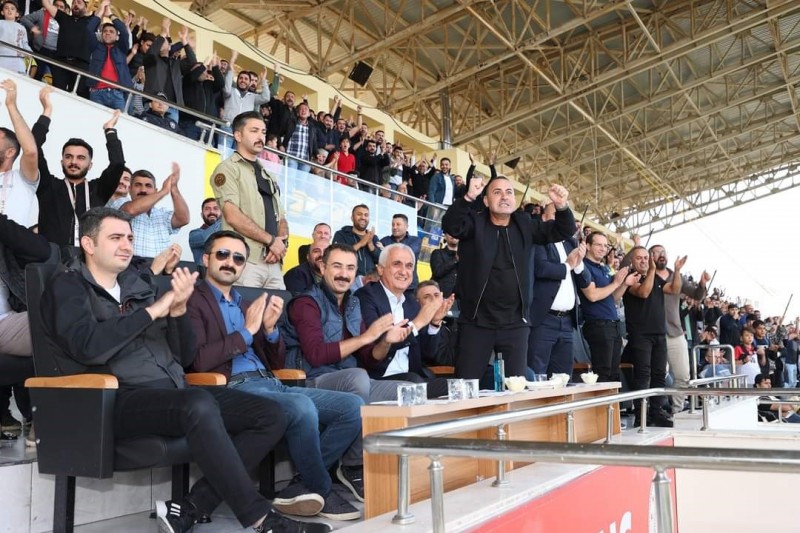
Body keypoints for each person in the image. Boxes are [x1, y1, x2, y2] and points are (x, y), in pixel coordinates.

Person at [39, 207, 329, 533]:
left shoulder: (136, 285)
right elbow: (87, 346)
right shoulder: (68, 286)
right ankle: (262, 519)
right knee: (197, 403)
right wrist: (153, 311)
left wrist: (177, 313)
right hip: (114, 399)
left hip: (172, 390)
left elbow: (184, 355)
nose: (126, 245)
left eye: (130, 238)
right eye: (116, 237)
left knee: (271, 414)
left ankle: (191, 507)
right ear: (88, 244)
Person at [187, 230, 363, 520]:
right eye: (223, 254)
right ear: (206, 259)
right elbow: (197, 360)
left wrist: (269, 331)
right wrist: (247, 331)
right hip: (232, 389)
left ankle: (303, 484)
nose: (230, 262)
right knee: (301, 406)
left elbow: (275, 361)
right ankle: (321, 487)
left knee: (353, 407)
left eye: (238, 258)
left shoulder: (245, 304)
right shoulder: (193, 300)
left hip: (270, 383)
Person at [441, 175, 576, 380]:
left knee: (516, 385)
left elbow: (563, 230)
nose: (504, 196)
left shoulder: (526, 224)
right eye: (497, 192)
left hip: (515, 323)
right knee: (467, 382)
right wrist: (468, 197)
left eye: (509, 192)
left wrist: (562, 206)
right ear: (486, 201)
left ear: (514, 200)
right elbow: (451, 225)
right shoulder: (474, 223)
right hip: (476, 321)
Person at [282, 243, 412, 404]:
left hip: (353, 381)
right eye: (337, 266)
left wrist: (385, 342)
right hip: (312, 382)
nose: (344, 274)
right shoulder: (306, 303)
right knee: (358, 377)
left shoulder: (353, 304)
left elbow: (369, 358)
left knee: (408, 390)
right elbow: (316, 355)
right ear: (323, 268)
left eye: (350, 268)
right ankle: (362, 419)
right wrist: (365, 338)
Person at [355, 244, 453, 396]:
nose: (403, 271)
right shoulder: (366, 296)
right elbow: (379, 344)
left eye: (409, 266)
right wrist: (418, 323)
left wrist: (434, 323)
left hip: (412, 376)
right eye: (397, 264)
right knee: (416, 383)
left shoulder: (411, 302)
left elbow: (428, 354)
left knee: (455, 386)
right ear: (380, 269)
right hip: (377, 378)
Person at [32, 88, 124, 246]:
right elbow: (33, 147)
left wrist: (110, 130)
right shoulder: (48, 185)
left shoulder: (98, 189)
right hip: (50, 257)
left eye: (81, 158)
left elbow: (118, 164)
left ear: (90, 165)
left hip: (88, 257)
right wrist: (47, 111)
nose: (73, 162)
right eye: (68, 157)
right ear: (62, 162)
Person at [211, 111, 288, 289]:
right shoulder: (227, 169)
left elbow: (281, 217)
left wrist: (280, 243)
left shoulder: (269, 175)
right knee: (246, 307)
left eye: (263, 132)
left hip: (274, 261)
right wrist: (271, 241)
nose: (261, 137)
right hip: (246, 260)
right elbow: (232, 216)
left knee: (278, 308)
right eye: (254, 131)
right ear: (238, 135)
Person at [622, 246, 687, 427]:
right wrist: (651, 270)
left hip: (659, 333)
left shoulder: (656, 277)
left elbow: (674, 289)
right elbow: (643, 292)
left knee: (659, 375)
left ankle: (656, 412)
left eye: (646, 257)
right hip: (640, 334)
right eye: (639, 258)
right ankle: (641, 415)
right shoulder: (630, 278)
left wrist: (677, 271)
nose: (644, 261)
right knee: (643, 375)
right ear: (632, 261)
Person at [527, 202, 592, 377]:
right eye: (555, 215)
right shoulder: (539, 241)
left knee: (563, 376)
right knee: (537, 373)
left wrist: (578, 263)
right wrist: (568, 265)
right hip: (544, 319)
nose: (559, 220)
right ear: (544, 218)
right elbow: (541, 269)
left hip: (567, 322)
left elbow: (585, 279)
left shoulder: (570, 243)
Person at [651, 244, 709, 413]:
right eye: (657, 252)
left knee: (683, 375)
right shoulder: (646, 275)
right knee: (658, 375)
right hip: (652, 332)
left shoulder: (676, 276)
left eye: (663, 252)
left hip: (675, 331)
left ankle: (677, 411)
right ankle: (658, 409)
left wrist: (702, 283)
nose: (661, 255)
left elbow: (697, 294)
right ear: (650, 256)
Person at [578, 232, 637, 383]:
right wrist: (616, 283)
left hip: (613, 325)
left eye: (605, 245)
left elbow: (613, 297)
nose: (603, 248)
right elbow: (592, 295)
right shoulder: (584, 267)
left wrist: (624, 284)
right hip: (598, 325)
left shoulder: (604, 268)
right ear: (588, 246)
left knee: (614, 374)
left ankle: (611, 399)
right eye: (599, 245)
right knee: (602, 373)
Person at [112, 166, 189, 258]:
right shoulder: (120, 203)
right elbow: (130, 210)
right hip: (131, 265)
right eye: (138, 185)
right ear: (130, 189)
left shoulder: (162, 214)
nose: (143, 190)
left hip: (160, 266)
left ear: (155, 191)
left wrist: (174, 188)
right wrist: (163, 192)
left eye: (148, 186)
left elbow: (183, 219)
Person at [0, 79, 39, 228]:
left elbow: (30, 151)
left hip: (8, 242)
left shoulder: (21, 180)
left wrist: (11, 105)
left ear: (10, 152)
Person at [85, 2, 131, 111]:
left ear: (116, 36)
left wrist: (111, 15)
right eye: (105, 31)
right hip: (97, 92)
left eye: (111, 31)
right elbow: (89, 29)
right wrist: (100, 12)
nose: (107, 33)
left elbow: (124, 33)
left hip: (117, 94)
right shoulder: (96, 46)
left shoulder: (122, 48)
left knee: (118, 121)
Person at [332, 204, 381, 277]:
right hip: (347, 279)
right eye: (359, 214)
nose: (363, 217)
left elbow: (381, 261)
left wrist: (371, 245)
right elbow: (337, 256)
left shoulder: (373, 237)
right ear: (352, 218)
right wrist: (360, 244)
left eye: (366, 215)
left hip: (370, 281)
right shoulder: (341, 234)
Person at [379, 214, 421, 288]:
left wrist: (385, 250)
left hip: (410, 287)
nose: (394, 227)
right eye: (393, 225)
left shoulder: (415, 240)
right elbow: (379, 258)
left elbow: (406, 254)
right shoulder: (385, 240)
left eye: (398, 224)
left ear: (406, 226)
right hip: (388, 285)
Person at [0, 0, 31, 75]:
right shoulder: (0, 23)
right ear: (2, 12)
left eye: (12, 8)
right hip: (2, 57)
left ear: (17, 14)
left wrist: (29, 52)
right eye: (6, 8)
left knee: (18, 80)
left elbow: (25, 43)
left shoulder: (22, 28)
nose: (9, 10)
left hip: (18, 59)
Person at [188, 198, 221, 265]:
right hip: (205, 271)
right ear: (202, 215)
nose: (212, 212)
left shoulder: (229, 234)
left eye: (216, 208)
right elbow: (208, 237)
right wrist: (227, 217)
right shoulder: (194, 234)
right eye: (207, 209)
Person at [430, 232, 459, 299]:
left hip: (458, 299)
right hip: (439, 297)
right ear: (445, 236)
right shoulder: (437, 253)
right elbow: (437, 272)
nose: (454, 235)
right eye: (450, 232)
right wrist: (455, 259)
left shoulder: (467, 256)